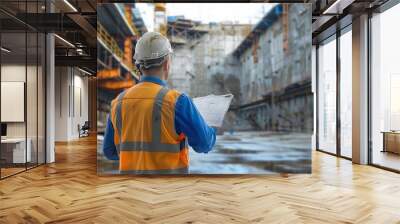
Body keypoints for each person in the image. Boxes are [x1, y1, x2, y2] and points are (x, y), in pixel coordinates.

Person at [102, 32, 216, 174]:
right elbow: (204, 144)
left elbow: (110, 151)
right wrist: (211, 126)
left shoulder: (117, 103)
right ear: (167, 64)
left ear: (138, 66)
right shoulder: (177, 102)